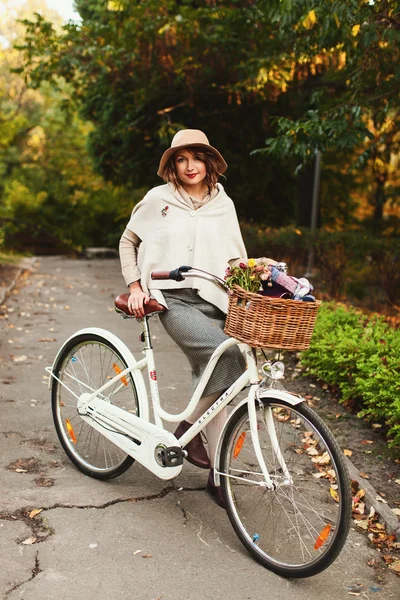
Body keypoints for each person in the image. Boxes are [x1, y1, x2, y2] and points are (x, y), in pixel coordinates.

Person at [119, 129, 276, 507]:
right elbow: (129, 241)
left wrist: (258, 271)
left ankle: (215, 475)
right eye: (181, 159)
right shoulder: (158, 200)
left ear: (209, 162)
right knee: (226, 355)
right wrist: (136, 286)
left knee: (226, 380)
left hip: (216, 299)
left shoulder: (224, 203)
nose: (190, 167)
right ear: (173, 165)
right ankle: (189, 433)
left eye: (197, 158)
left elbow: (235, 258)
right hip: (171, 300)